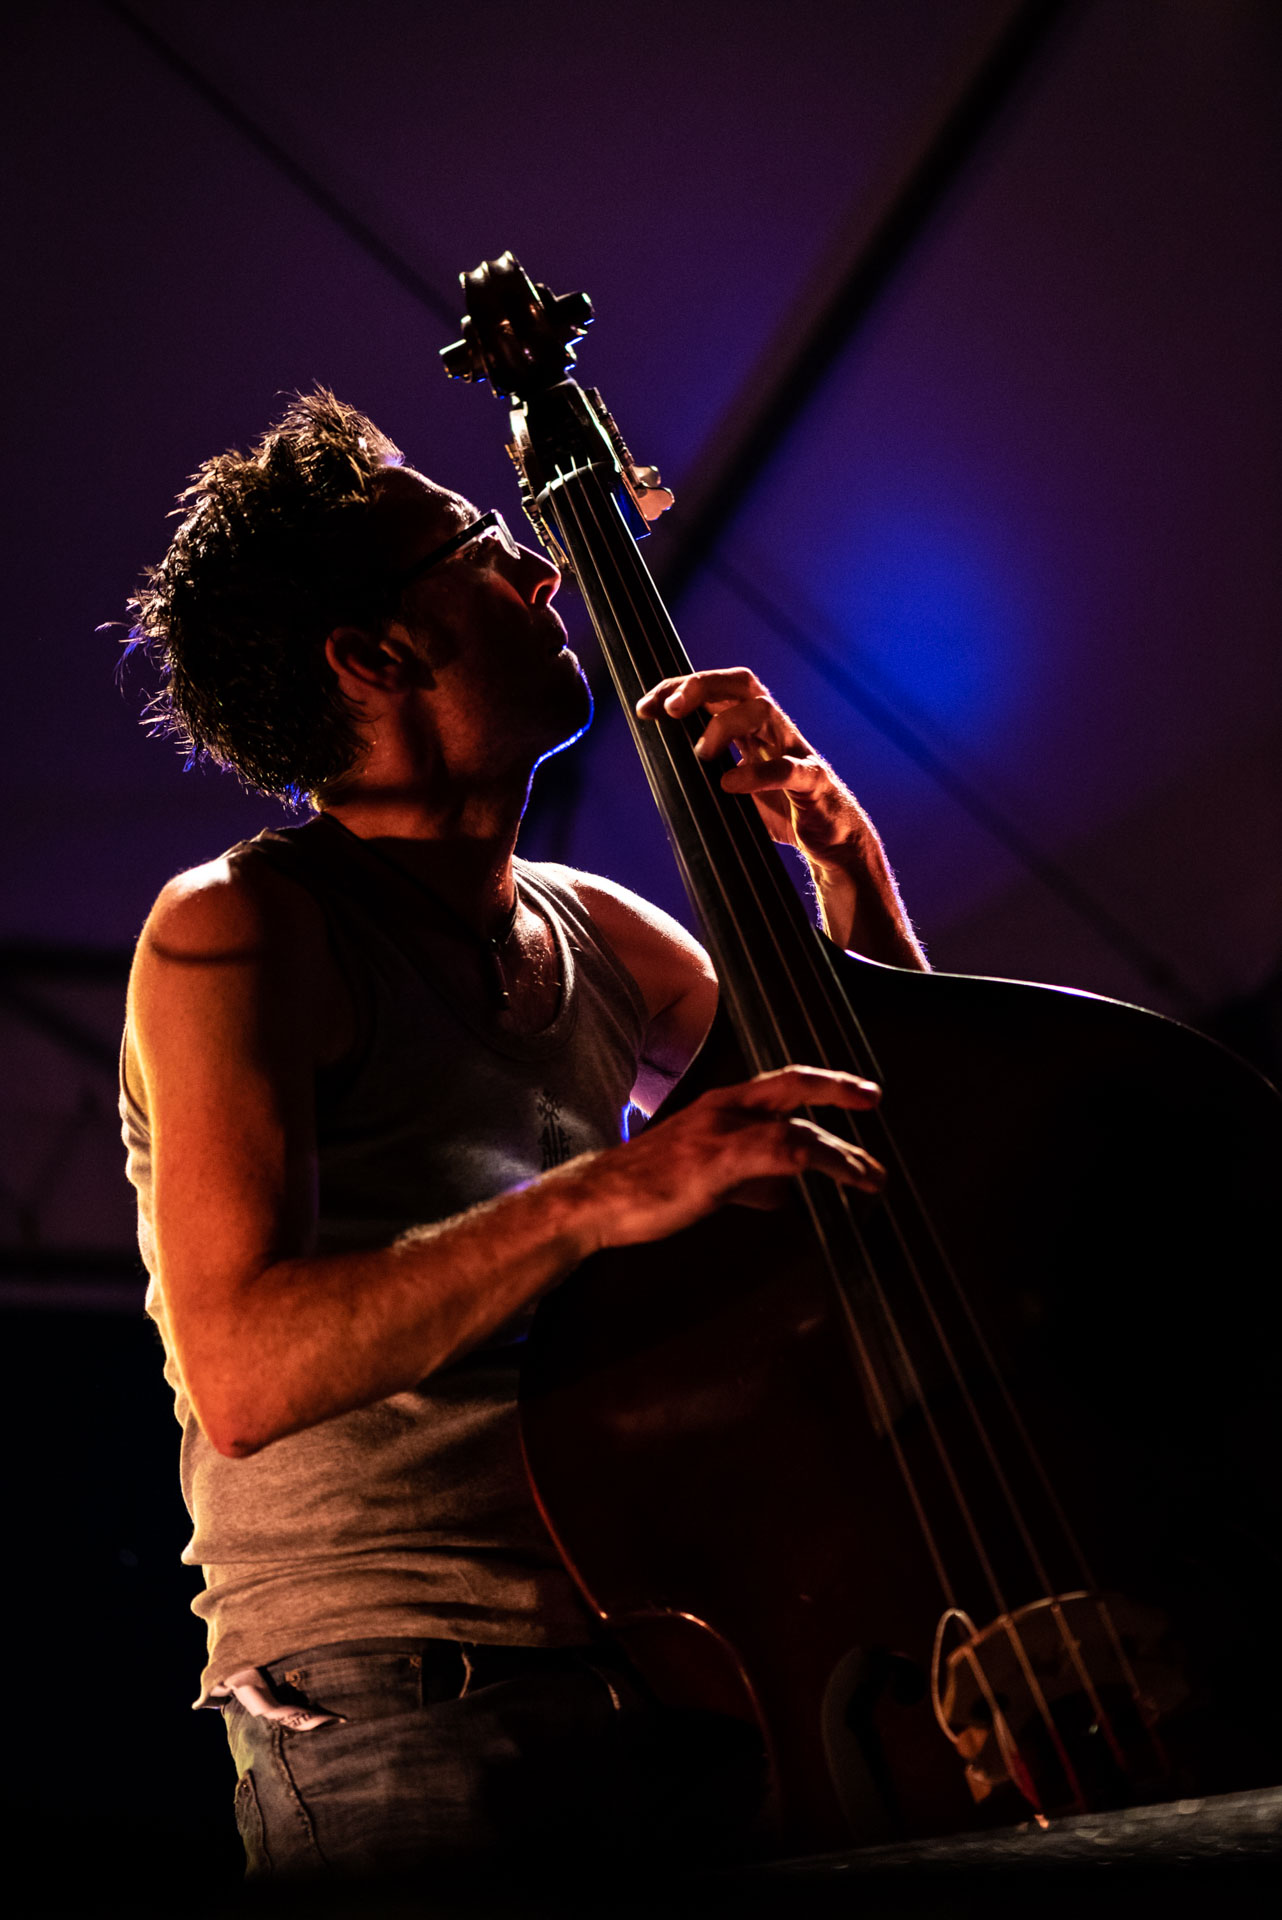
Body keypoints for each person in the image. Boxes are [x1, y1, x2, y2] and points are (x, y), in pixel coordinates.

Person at [120, 390, 927, 1887]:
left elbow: (888, 1138)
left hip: (679, 1657)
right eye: (486, 549)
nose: (549, 574)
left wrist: (844, 874)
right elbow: (242, 1373)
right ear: (370, 656)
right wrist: (610, 1192)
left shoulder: (599, 928)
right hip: (406, 1706)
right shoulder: (238, 930)